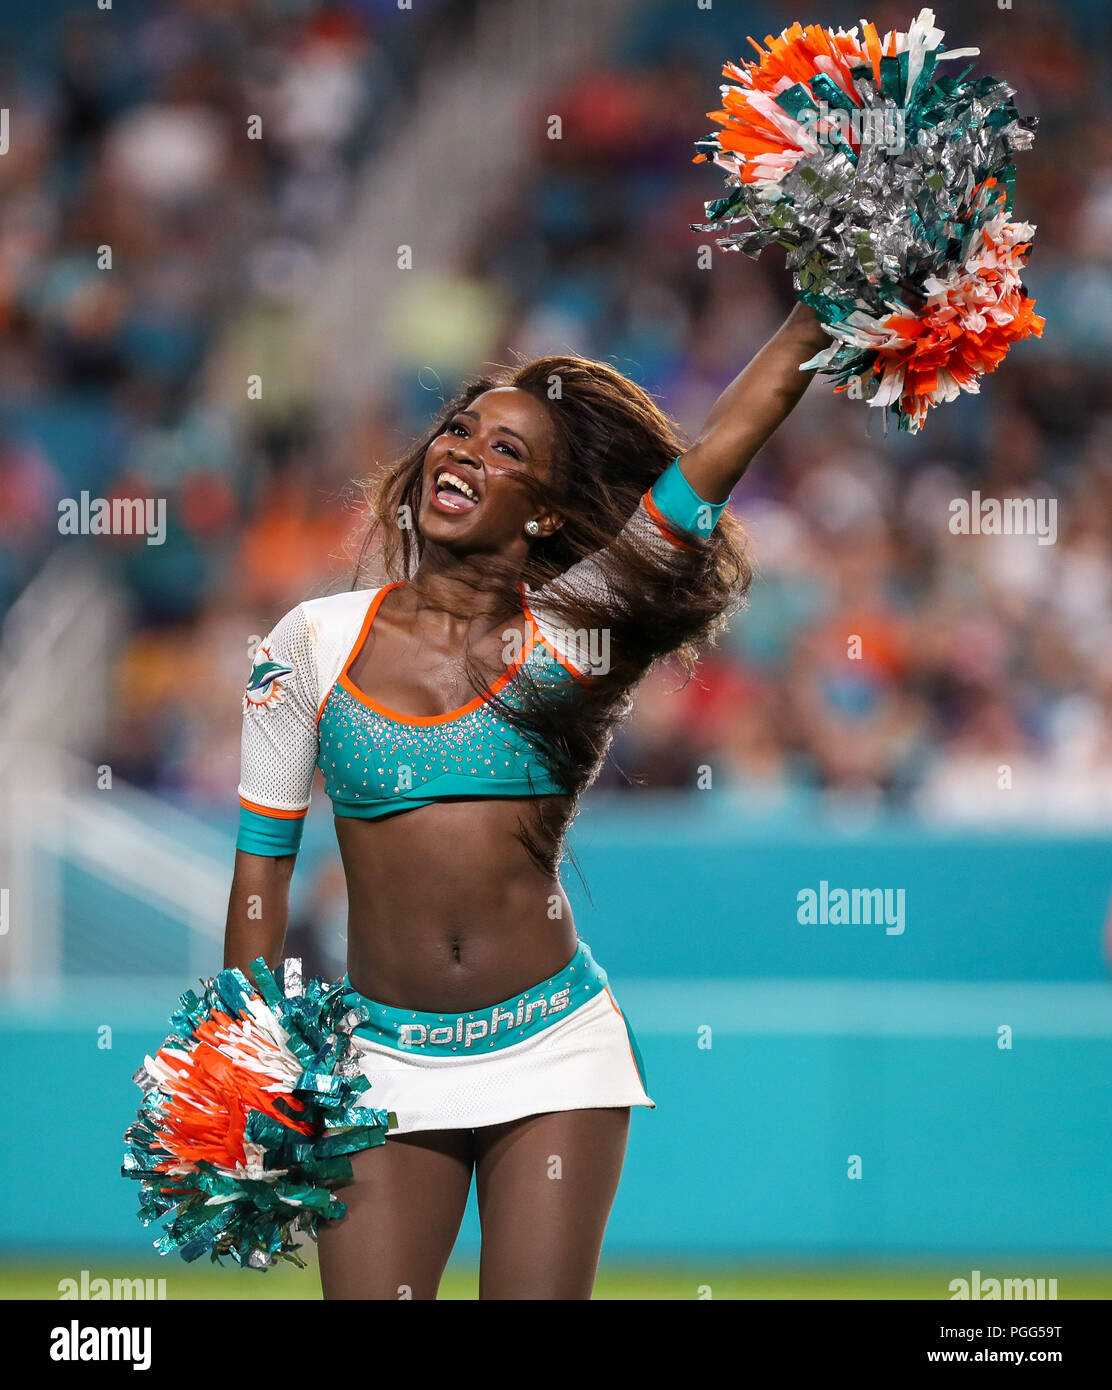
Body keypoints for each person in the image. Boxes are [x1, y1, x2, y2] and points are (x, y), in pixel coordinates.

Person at [223, 302, 830, 1299]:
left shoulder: (580, 626)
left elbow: (731, 433)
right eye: (457, 428)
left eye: (505, 448)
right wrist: (244, 1059)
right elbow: (261, 872)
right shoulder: (307, 642)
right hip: (377, 1056)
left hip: (551, 1051)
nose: (461, 449)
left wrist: (833, 292)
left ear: (544, 511)